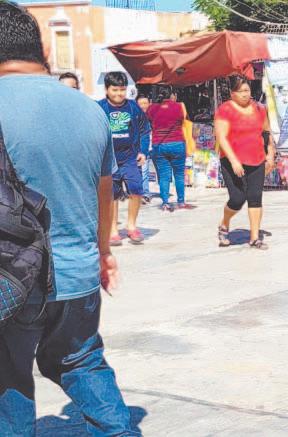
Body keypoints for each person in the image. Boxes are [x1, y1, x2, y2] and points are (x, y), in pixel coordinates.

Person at [0, 3, 139, 435]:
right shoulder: (88, 109)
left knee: (7, 379)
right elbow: (104, 193)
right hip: (78, 274)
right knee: (81, 361)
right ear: (42, 48)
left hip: (11, 281)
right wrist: (104, 253)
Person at [214, 74, 276, 250]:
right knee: (237, 198)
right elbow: (221, 137)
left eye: (247, 90)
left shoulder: (259, 109)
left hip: (257, 159)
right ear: (232, 93)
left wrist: (270, 153)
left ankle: (255, 238)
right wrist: (234, 161)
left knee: (255, 197)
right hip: (231, 161)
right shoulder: (225, 110)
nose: (245, 94)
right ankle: (225, 223)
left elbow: (266, 132)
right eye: (240, 91)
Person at [98, 71, 150, 246]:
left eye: (122, 89)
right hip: (108, 160)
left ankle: (131, 226)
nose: (119, 94)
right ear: (106, 89)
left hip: (130, 158)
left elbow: (144, 130)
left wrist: (143, 151)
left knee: (136, 189)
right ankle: (113, 230)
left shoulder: (133, 107)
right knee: (111, 195)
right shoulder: (99, 108)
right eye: (115, 90)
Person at [147, 87, 190, 211]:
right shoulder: (179, 107)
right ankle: (181, 202)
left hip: (159, 145)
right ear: (172, 95)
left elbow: (149, 121)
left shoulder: (152, 108)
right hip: (177, 143)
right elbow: (184, 120)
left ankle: (165, 202)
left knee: (164, 176)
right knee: (179, 175)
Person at [136, 95, 155, 204]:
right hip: (139, 148)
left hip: (149, 147)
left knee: (144, 172)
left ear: (149, 103)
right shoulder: (135, 117)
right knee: (141, 171)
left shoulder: (153, 116)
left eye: (145, 103)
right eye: (141, 104)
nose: (143, 106)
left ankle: (144, 193)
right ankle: (142, 193)